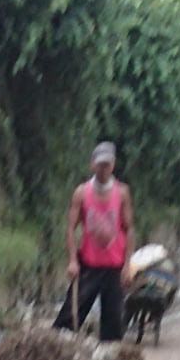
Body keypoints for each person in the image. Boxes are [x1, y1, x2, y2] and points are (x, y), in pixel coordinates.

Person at [55, 142, 134, 342]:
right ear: (92, 165)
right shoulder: (81, 193)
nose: (103, 169)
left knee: (114, 323)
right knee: (68, 319)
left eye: (107, 164)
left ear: (113, 165)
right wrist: (73, 260)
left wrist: (127, 264)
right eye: (100, 164)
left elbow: (129, 229)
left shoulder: (122, 193)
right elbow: (71, 228)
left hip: (114, 267)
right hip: (89, 266)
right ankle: (58, 352)